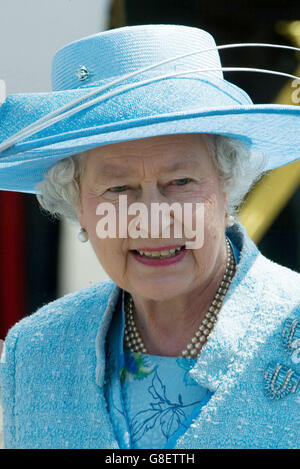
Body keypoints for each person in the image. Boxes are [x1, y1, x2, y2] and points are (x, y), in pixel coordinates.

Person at [0, 24, 299, 450]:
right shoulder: (35, 353)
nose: (151, 219)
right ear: (78, 206)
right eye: (118, 189)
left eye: (180, 181)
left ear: (226, 185)